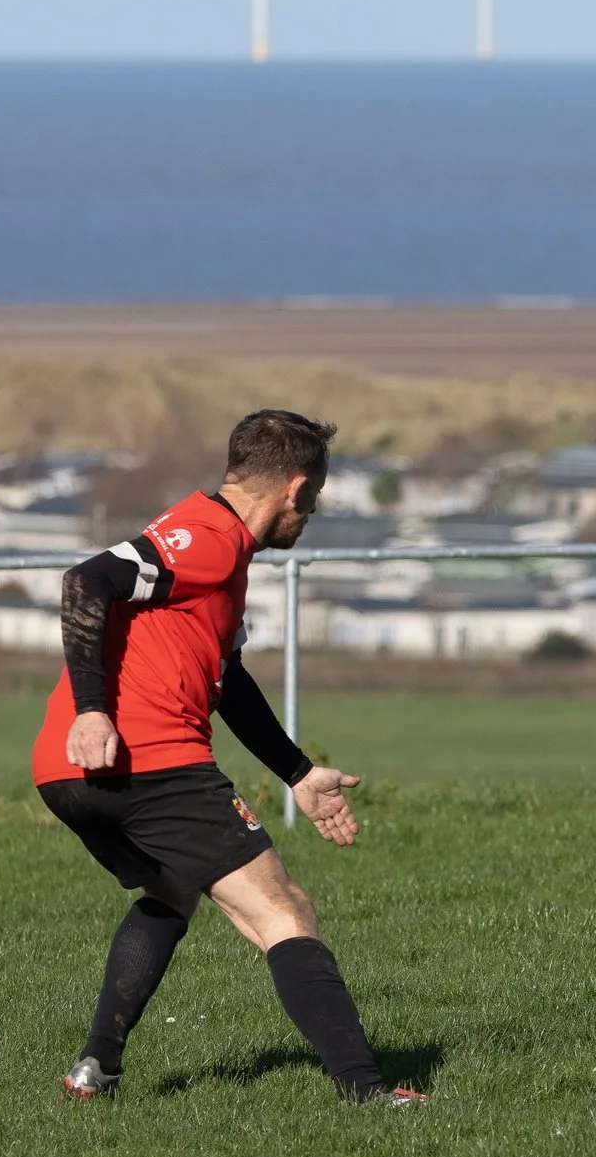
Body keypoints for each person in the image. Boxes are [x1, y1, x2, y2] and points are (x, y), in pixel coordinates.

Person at [33, 409, 422, 1105]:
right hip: (146, 760)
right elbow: (84, 581)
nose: (311, 516)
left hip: (67, 774)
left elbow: (227, 682)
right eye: (316, 501)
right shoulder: (208, 539)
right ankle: (367, 1094)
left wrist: (299, 772)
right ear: (295, 489)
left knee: (171, 892)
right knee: (283, 912)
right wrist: (94, 710)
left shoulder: (215, 553)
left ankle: (97, 1067)